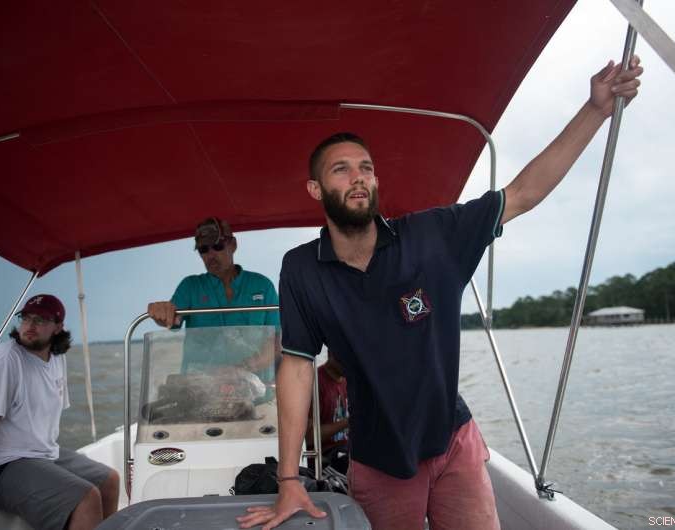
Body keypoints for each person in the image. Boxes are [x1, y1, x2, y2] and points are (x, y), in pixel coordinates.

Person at [236, 57, 643, 530]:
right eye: (341, 170)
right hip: (379, 459)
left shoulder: (434, 236)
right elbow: (298, 365)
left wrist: (595, 110)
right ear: (315, 188)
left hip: (455, 444)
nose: (358, 177)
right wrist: (289, 479)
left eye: (366, 168)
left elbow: (525, 192)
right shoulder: (302, 269)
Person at [0, 294, 119, 530]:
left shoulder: (57, 358)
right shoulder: (4, 361)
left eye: (40, 320)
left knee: (108, 481)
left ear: (58, 327)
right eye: (26, 318)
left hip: (34, 453)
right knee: (86, 499)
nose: (29, 326)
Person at [147, 217, 280, 376]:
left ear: (233, 245)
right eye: (203, 249)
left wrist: (242, 369)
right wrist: (161, 312)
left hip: (256, 392)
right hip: (200, 392)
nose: (210, 255)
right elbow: (173, 318)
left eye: (217, 246)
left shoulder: (263, 286)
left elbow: (277, 341)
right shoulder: (190, 287)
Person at [305, 351, 349, 474]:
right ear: (331, 353)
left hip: (347, 449)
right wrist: (348, 422)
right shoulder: (315, 382)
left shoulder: (349, 380)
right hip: (325, 456)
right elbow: (309, 438)